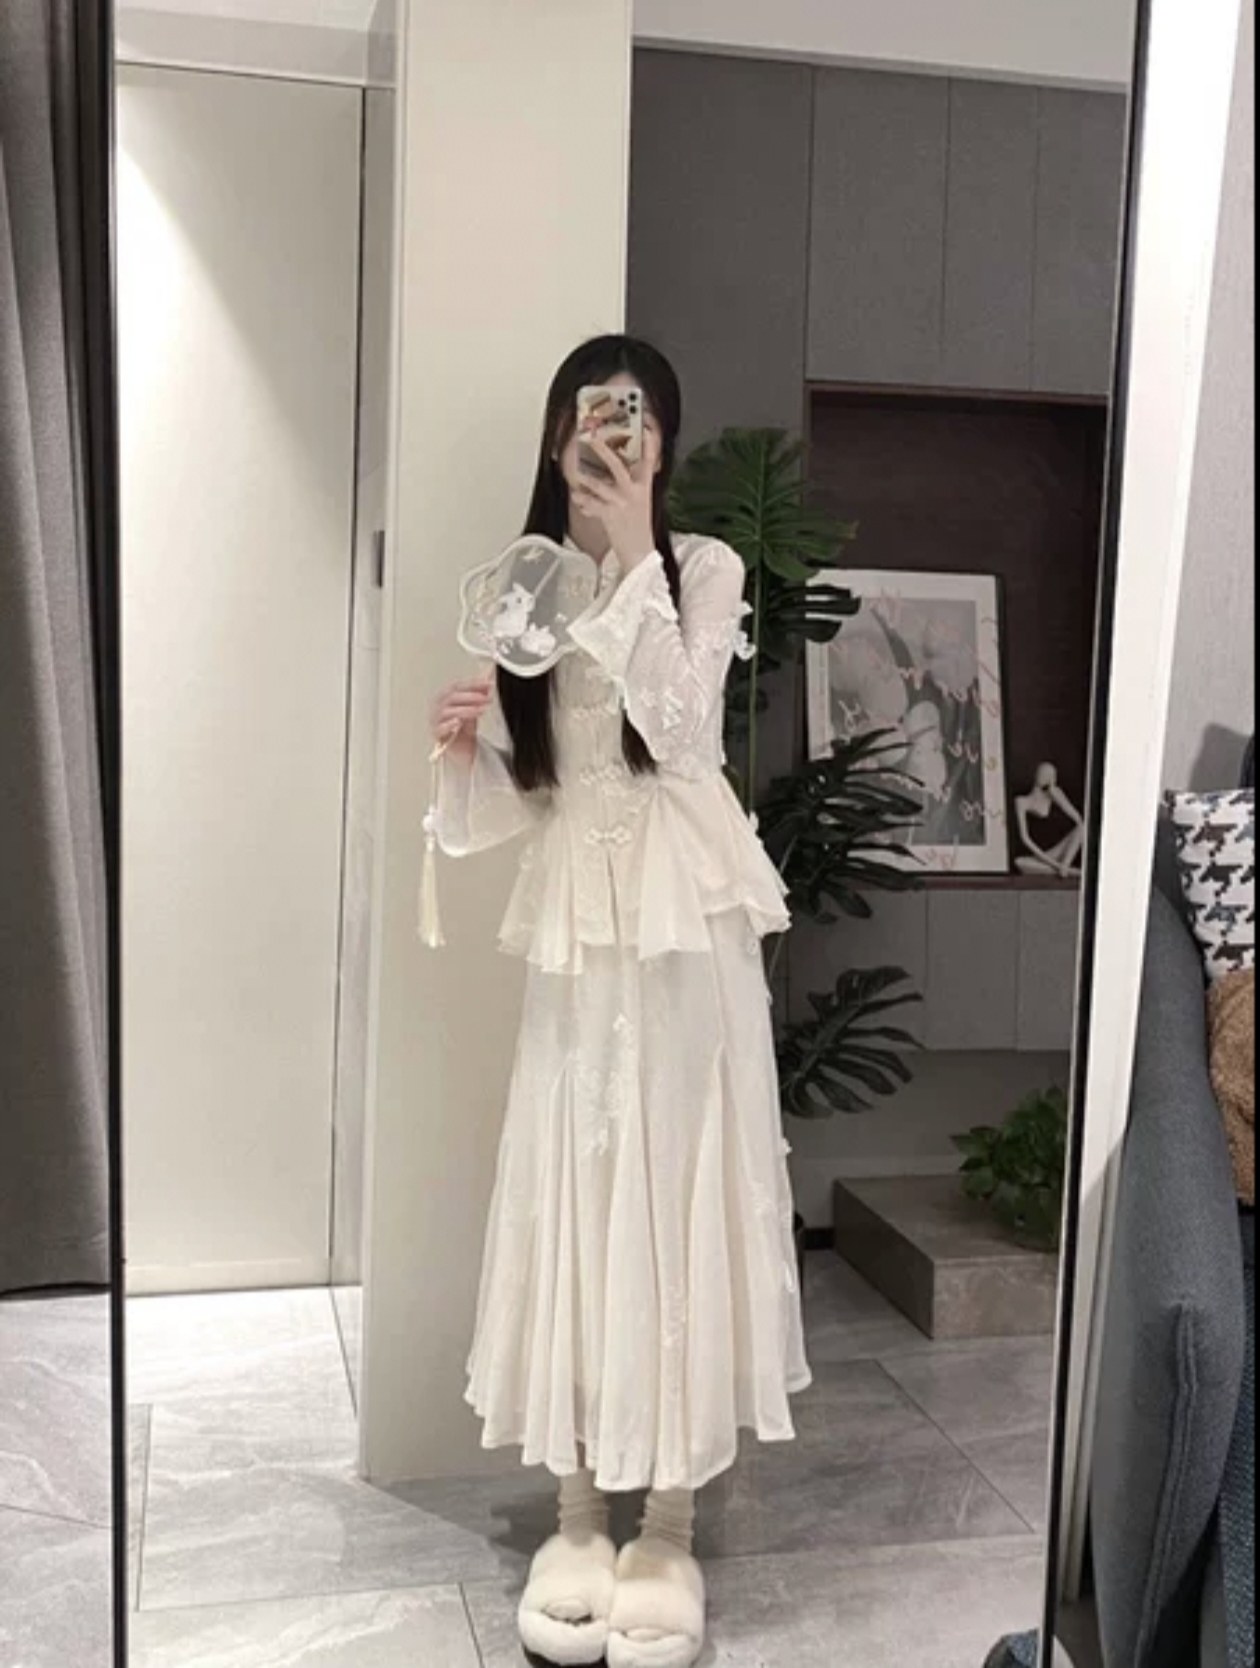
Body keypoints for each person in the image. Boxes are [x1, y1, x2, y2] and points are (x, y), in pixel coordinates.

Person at [428, 336, 810, 1668]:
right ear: (555, 436)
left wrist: (639, 545)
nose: (606, 440)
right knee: (577, 1187)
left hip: (682, 929)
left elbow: (684, 736)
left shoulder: (703, 568)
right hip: (578, 936)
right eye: (588, 420)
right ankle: (579, 1513)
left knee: (676, 1184)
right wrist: (468, 749)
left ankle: (672, 1526)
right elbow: (520, 800)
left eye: (631, 422)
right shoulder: (523, 589)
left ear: (662, 441)